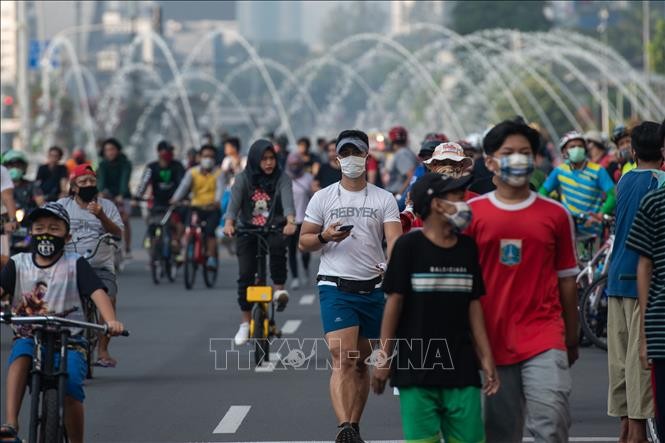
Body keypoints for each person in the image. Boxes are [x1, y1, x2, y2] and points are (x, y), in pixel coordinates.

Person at [466, 119, 579, 441]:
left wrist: (570, 337)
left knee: (552, 422)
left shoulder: (556, 215)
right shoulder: (471, 215)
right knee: (500, 432)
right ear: (489, 161)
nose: (518, 159)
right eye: (508, 152)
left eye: (525, 152)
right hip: (490, 341)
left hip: (544, 337)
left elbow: (567, 281)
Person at [372, 172, 499, 443]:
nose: (464, 201)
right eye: (455, 195)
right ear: (436, 204)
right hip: (415, 371)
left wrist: (486, 357)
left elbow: (473, 305)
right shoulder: (408, 247)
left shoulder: (467, 248)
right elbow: (394, 304)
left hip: (463, 369)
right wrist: (383, 359)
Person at [299, 129, 402, 442]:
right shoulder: (323, 197)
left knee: (359, 364)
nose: (351, 159)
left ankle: (353, 427)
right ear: (337, 158)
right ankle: (343, 426)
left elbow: (395, 239)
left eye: (357, 153)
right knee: (342, 356)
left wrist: (392, 267)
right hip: (335, 286)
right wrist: (325, 237)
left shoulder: (384, 199)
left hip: (373, 288)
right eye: (345, 154)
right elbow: (304, 241)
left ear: (367, 157)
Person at [0, 202, 124, 443]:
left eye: (54, 229)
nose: (46, 233)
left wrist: (110, 321)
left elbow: (98, 293)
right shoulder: (18, 263)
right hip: (29, 334)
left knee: (72, 390)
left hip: (71, 339)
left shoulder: (75, 263)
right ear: (30, 234)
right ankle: (11, 423)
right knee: (19, 359)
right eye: (39, 228)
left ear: (67, 237)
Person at [605, 121, 664, 442]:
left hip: (615, 279)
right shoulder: (661, 182)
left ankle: (626, 429)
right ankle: (637, 432)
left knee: (620, 363)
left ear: (634, 150)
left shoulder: (625, 179)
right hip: (645, 283)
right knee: (641, 362)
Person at [223, 139, 296, 345]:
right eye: (264, 159)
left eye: (272, 158)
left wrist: (290, 221)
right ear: (255, 160)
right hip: (247, 228)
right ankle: (245, 324)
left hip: (274, 226)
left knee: (278, 249)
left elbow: (288, 202)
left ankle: (279, 290)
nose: (269, 163)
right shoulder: (243, 179)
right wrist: (229, 224)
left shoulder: (282, 178)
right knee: (245, 275)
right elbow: (233, 206)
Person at [58, 164, 124, 368]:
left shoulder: (107, 206)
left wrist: (101, 216)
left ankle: (103, 351)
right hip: (69, 266)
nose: (88, 185)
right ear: (74, 186)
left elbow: (118, 233)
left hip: (100, 265)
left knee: (109, 300)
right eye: (83, 182)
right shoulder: (63, 206)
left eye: (92, 181)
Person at [629, 120, 665, 438]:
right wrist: (645, 338)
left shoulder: (629, 182)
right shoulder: (655, 198)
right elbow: (644, 264)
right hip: (660, 327)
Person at [540, 131, 616, 236]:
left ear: (585, 149)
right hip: (567, 229)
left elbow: (613, 195)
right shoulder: (559, 171)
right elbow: (543, 192)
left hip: (594, 231)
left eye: (580, 146)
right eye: (572, 147)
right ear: (564, 151)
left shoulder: (598, 170)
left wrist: (601, 214)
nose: (577, 149)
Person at [400, 142, 475, 233]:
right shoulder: (424, 204)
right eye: (442, 163)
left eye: (453, 163)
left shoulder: (475, 201)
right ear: (433, 167)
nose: (448, 168)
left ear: (462, 167)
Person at [171, 144, 223, 269]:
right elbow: (183, 187)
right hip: (195, 207)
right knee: (188, 228)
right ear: (199, 157)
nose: (208, 159)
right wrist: (175, 199)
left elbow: (220, 189)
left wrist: (217, 201)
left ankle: (211, 257)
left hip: (212, 209)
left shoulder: (219, 173)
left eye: (211, 156)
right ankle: (184, 251)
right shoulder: (192, 172)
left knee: (210, 232)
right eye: (205, 156)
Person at [135, 141, 187, 258]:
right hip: (157, 202)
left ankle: (176, 243)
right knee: (152, 224)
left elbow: (184, 183)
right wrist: (137, 196)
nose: (169, 153)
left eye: (170, 151)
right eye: (166, 151)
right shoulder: (151, 167)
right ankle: (152, 248)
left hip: (175, 202)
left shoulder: (177, 166)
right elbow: (143, 183)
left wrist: (182, 198)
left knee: (178, 224)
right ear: (159, 152)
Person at [97, 138, 133, 256]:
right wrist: (101, 192)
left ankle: (127, 248)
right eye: (107, 150)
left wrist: (122, 194)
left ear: (118, 150)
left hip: (123, 195)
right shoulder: (102, 164)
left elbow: (124, 179)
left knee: (125, 220)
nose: (110, 152)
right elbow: (101, 181)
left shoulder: (125, 163)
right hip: (108, 195)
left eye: (112, 149)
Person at [285, 152, 313, 290]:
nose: (295, 167)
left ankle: (306, 269)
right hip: (290, 220)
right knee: (291, 250)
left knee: (304, 250)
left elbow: (314, 196)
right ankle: (295, 277)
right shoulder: (285, 178)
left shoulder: (308, 178)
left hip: (305, 218)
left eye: (297, 164)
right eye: (292, 164)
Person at [385, 126, 418, 200]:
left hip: (398, 194)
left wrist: (399, 195)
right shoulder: (406, 152)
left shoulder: (402, 153)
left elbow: (411, 176)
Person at [1, 164, 18, 265]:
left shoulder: (1, 170)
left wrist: (12, 220)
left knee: (3, 259)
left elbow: (7, 196)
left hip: (1, 217)